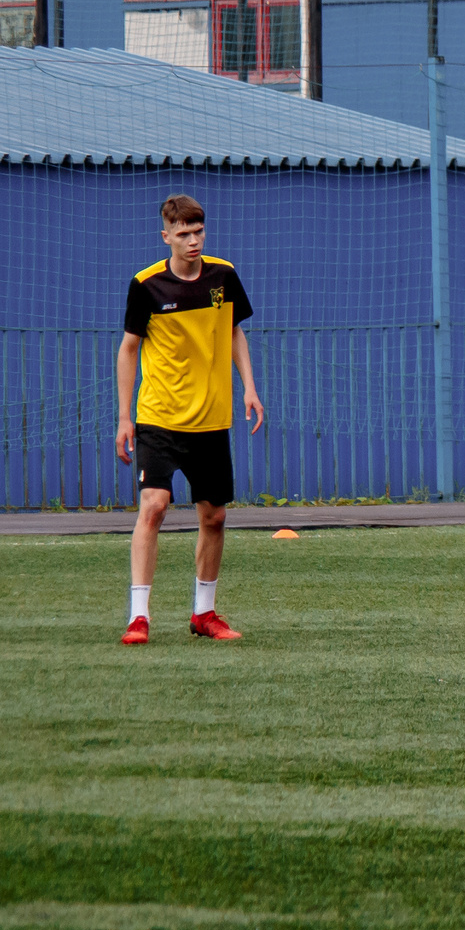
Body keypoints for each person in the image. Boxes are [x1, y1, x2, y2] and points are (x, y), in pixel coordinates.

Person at [116, 194, 264, 646]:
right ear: (166, 236)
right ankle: (138, 618)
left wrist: (250, 387)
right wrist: (124, 417)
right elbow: (128, 349)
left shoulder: (224, 276)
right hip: (159, 417)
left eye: (199, 231)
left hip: (211, 420)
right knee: (154, 506)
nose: (193, 240)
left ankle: (204, 614)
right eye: (183, 234)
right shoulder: (146, 285)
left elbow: (234, 330)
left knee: (214, 516)